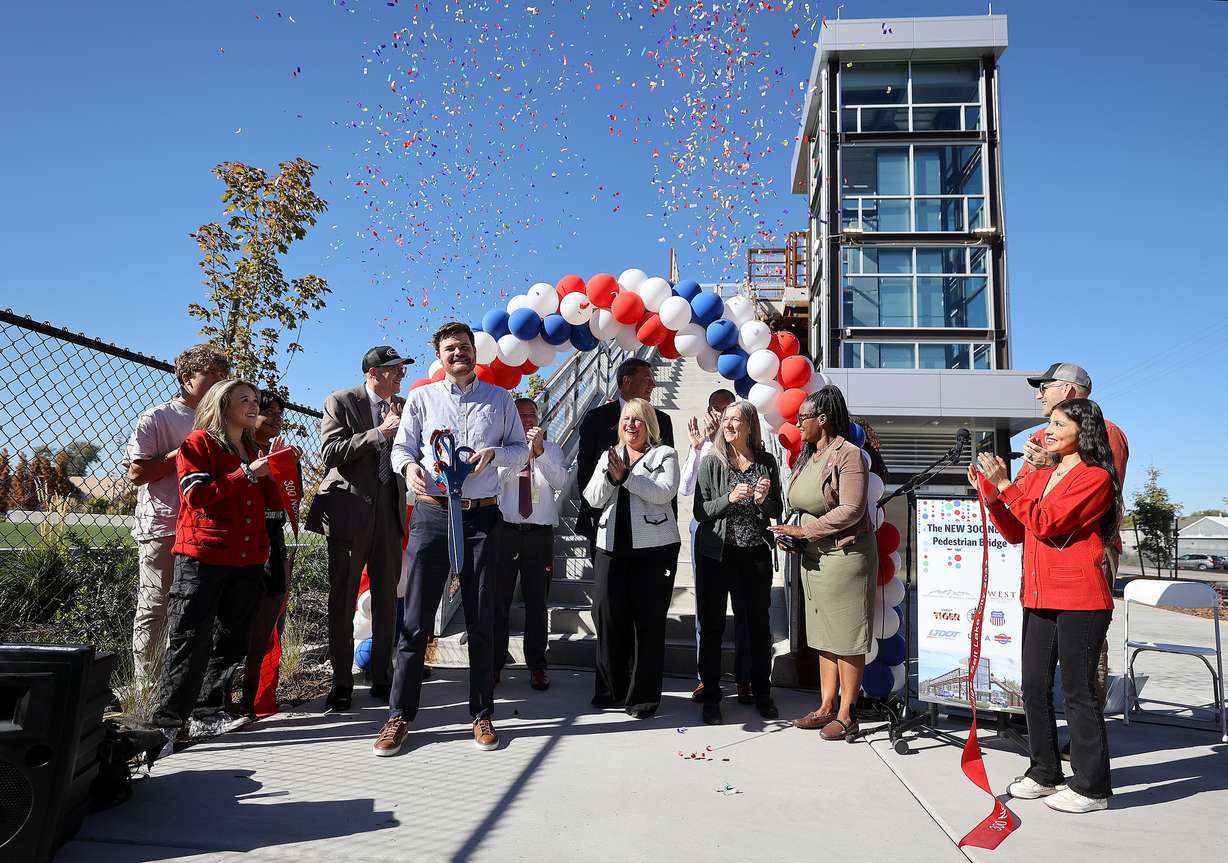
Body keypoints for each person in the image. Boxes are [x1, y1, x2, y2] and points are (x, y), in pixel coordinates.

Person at [373, 322, 528, 756]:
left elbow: (521, 450)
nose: (458, 353)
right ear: (438, 356)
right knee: (415, 621)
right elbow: (402, 448)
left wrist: (496, 453)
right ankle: (398, 716)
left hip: (482, 520)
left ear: (474, 352)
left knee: (481, 622)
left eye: (464, 346)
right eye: (449, 348)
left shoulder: (500, 400)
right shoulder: (422, 398)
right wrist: (408, 469)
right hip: (431, 516)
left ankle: (481, 714)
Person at [971, 398, 1121, 814]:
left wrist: (1006, 486)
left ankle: (1093, 788)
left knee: (1077, 693)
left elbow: (1047, 522)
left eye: (1058, 424)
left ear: (1082, 431)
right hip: (1039, 596)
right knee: (1033, 688)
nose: (1048, 431)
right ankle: (1044, 772)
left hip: (1080, 600)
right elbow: (1020, 530)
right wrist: (992, 492)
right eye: (1048, 424)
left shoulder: (1095, 479)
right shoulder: (1044, 474)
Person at [152, 380, 281, 744]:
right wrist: (247, 473)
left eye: (256, 400)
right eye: (245, 400)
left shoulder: (254, 448)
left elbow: (268, 504)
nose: (255, 406)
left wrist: (277, 469)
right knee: (189, 636)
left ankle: (207, 713)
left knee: (232, 638)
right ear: (221, 405)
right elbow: (195, 496)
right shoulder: (198, 444)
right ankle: (168, 721)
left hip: (248, 559)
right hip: (203, 557)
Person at [1017, 362, 1128, 724]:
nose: (1038, 394)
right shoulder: (1041, 437)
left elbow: (1096, 489)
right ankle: (1045, 740)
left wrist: (1049, 465)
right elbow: (1020, 493)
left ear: (1066, 390)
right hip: (1040, 547)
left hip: (1084, 550)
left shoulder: (1105, 432)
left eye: (1044, 387)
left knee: (1083, 656)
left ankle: (1083, 737)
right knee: (1039, 660)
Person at [305, 345, 414, 712]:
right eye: (394, 368)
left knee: (388, 599)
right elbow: (331, 453)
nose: (401, 374)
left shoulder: (405, 406)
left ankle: (382, 677)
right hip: (349, 514)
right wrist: (380, 433)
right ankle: (341, 682)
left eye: (401, 369)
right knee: (343, 598)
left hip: (390, 513)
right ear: (373, 373)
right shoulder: (340, 400)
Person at [770, 385, 877, 742]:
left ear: (823, 419)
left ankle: (847, 714)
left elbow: (853, 508)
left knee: (846, 636)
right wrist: (792, 532)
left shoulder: (849, 455)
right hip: (813, 557)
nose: (797, 424)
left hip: (844, 556)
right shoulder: (808, 454)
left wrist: (805, 531)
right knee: (823, 636)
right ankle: (825, 706)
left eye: (802, 418)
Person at [125, 344, 229, 687]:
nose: (220, 381)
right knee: (154, 608)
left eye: (223, 375)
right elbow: (138, 474)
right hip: (163, 525)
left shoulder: (222, 422)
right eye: (212, 375)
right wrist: (184, 452)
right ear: (186, 378)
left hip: (206, 530)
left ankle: (181, 687)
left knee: (193, 614)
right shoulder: (158, 418)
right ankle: (146, 689)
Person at [583, 397, 681, 717]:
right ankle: (611, 689)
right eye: (626, 419)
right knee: (608, 619)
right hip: (610, 549)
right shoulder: (608, 456)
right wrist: (610, 477)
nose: (630, 425)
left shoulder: (664, 454)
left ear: (649, 425)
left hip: (654, 552)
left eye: (638, 420)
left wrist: (627, 477)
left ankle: (643, 697)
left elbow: (662, 492)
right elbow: (593, 498)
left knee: (648, 624)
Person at [693, 400, 784, 724]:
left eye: (735, 419)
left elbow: (777, 510)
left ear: (749, 425)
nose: (728, 424)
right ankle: (712, 697)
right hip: (717, 555)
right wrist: (728, 500)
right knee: (714, 626)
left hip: (755, 554)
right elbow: (700, 512)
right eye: (726, 419)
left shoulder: (766, 461)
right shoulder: (712, 461)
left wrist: (763, 501)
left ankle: (762, 693)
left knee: (758, 627)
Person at [492, 398, 571, 690]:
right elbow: (496, 485)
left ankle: (537, 666)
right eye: (521, 415)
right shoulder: (501, 449)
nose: (527, 421)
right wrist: (520, 456)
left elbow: (561, 481)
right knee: (498, 601)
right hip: (506, 531)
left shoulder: (552, 449)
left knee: (537, 603)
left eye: (531, 416)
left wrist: (538, 454)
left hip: (539, 534)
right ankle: (494, 664)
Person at [679, 389, 744, 704]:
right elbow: (685, 488)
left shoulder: (743, 444)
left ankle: (745, 679)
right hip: (705, 531)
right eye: (714, 409)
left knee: (744, 607)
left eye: (726, 409)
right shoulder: (702, 446)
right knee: (707, 608)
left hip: (739, 532)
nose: (720, 416)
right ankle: (706, 679)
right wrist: (696, 449)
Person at [576, 358, 674, 561]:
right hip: (605, 522)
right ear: (627, 381)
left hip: (650, 528)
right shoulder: (596, 419)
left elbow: (666, 479)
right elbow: (584, 470)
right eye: (647, 379)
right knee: (607, 591)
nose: (653, 385)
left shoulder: (662, 421)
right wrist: (592, 512)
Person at [240, 391, 299, 717]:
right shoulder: (240, 450)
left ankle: (257, 700)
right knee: (239, 624)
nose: (276, 418)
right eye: (268, 411)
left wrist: (289, 466)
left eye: (280, 412)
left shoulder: (279, 452)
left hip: (273, 538)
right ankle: (220, 705)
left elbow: (286, 499)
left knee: (269, 622)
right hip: (247, 539)